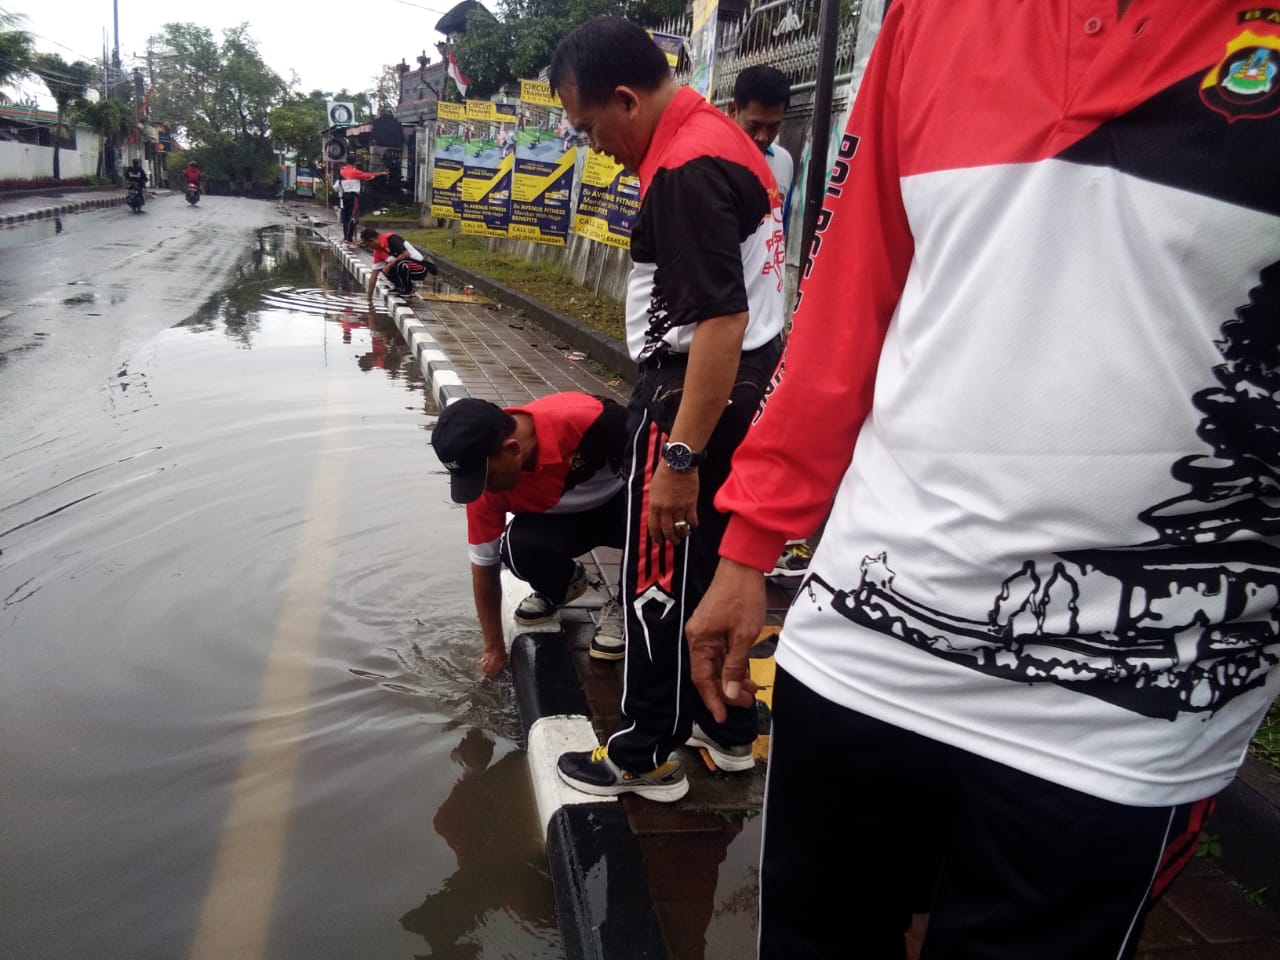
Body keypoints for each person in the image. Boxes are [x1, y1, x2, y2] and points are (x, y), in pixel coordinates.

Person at [686, 1, 1280, 957]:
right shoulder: (932, 18)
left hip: (1124, 717)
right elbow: (845, 307)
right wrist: (749, 545)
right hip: (862, 649)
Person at [548, 17, 786, 802]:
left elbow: (720, 321)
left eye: (590, 127)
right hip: (740, 392)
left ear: (626, 98)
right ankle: (727, 727)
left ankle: (646, 749)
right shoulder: (719, 135)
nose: (596, 146)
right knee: (712, 575)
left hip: (692, 399)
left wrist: (678, 458)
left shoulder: (686, 166)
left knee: (657, 575)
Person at [430, 395, 630, 677]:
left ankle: (625, 604)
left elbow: (657, 472)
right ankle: (564, 585)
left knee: (663, 511)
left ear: (512, 449)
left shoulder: (592, 420)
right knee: (516, 548)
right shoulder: (483, 491)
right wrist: (493, 648)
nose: (483, 490)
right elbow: (484, 570)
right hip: (567, 522)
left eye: (487, 479)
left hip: (625, 506)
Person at [727, 64, 793, 237]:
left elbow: (780, 228)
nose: (762, 137)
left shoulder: (783, 161)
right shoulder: (709, 163)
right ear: (733, 110)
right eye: (754, 125)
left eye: (772, 127)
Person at [359, 228, 439, 302]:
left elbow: (406, 254)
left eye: (368, 245)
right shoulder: (378, 252)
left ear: (372, 240)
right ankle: (399, 286)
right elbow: (373, 277)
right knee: (384, 268)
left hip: (420, 267)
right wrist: (369, 298)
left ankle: (407, 290)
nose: (369, 247)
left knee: (399, 264)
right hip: (406, 267)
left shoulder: (392, 239)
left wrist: (390, 265)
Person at [335, 161, 386, 242]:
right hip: (353, 197)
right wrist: (381, 173)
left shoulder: (342, 173)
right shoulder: (355, 172)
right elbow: (368, 175)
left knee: (346, 219)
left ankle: (346, 237)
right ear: (354, 164)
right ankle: (348, 238)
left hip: (344, 198)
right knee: (351, 218)